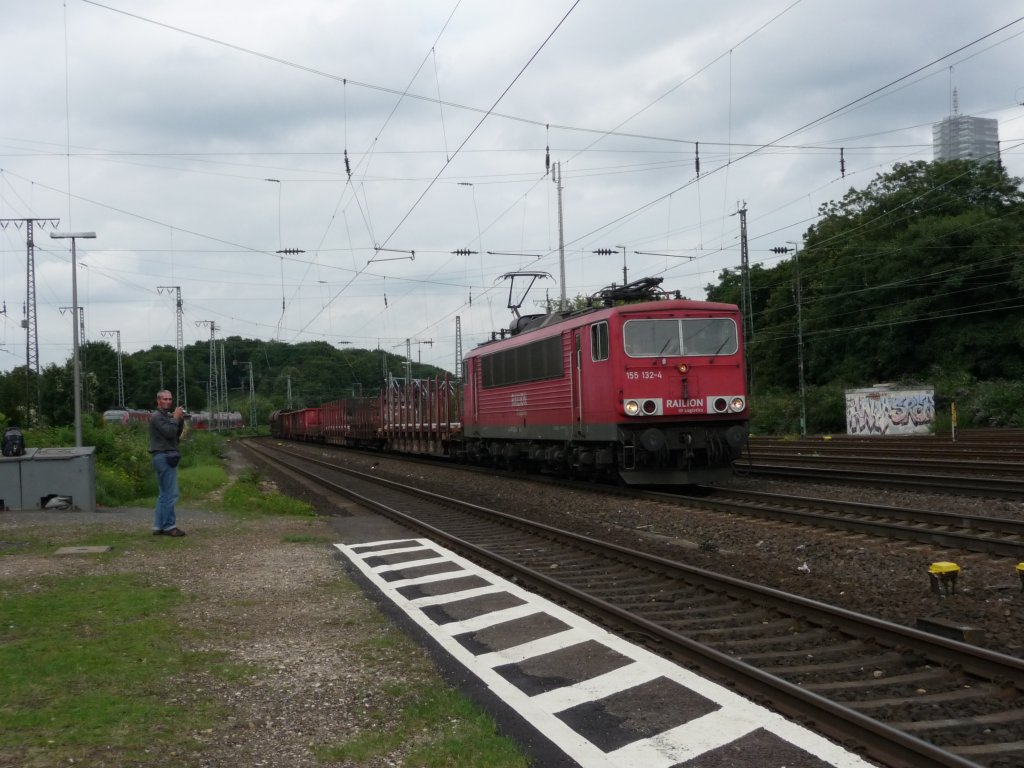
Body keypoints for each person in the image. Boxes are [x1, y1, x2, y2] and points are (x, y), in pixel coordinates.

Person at [149, 390, 186, 537]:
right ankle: (170, 526)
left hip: (164, 456)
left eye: (170, 399)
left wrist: (180, 420)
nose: (168, 402)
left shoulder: (166, 417)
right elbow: (169, 432)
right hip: (163, 457)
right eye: (165, 399)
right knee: (171, 494)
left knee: (164, 494)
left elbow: (175, 435)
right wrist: (175, 418)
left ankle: (158, 526)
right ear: (158, 400)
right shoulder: (157, 417)